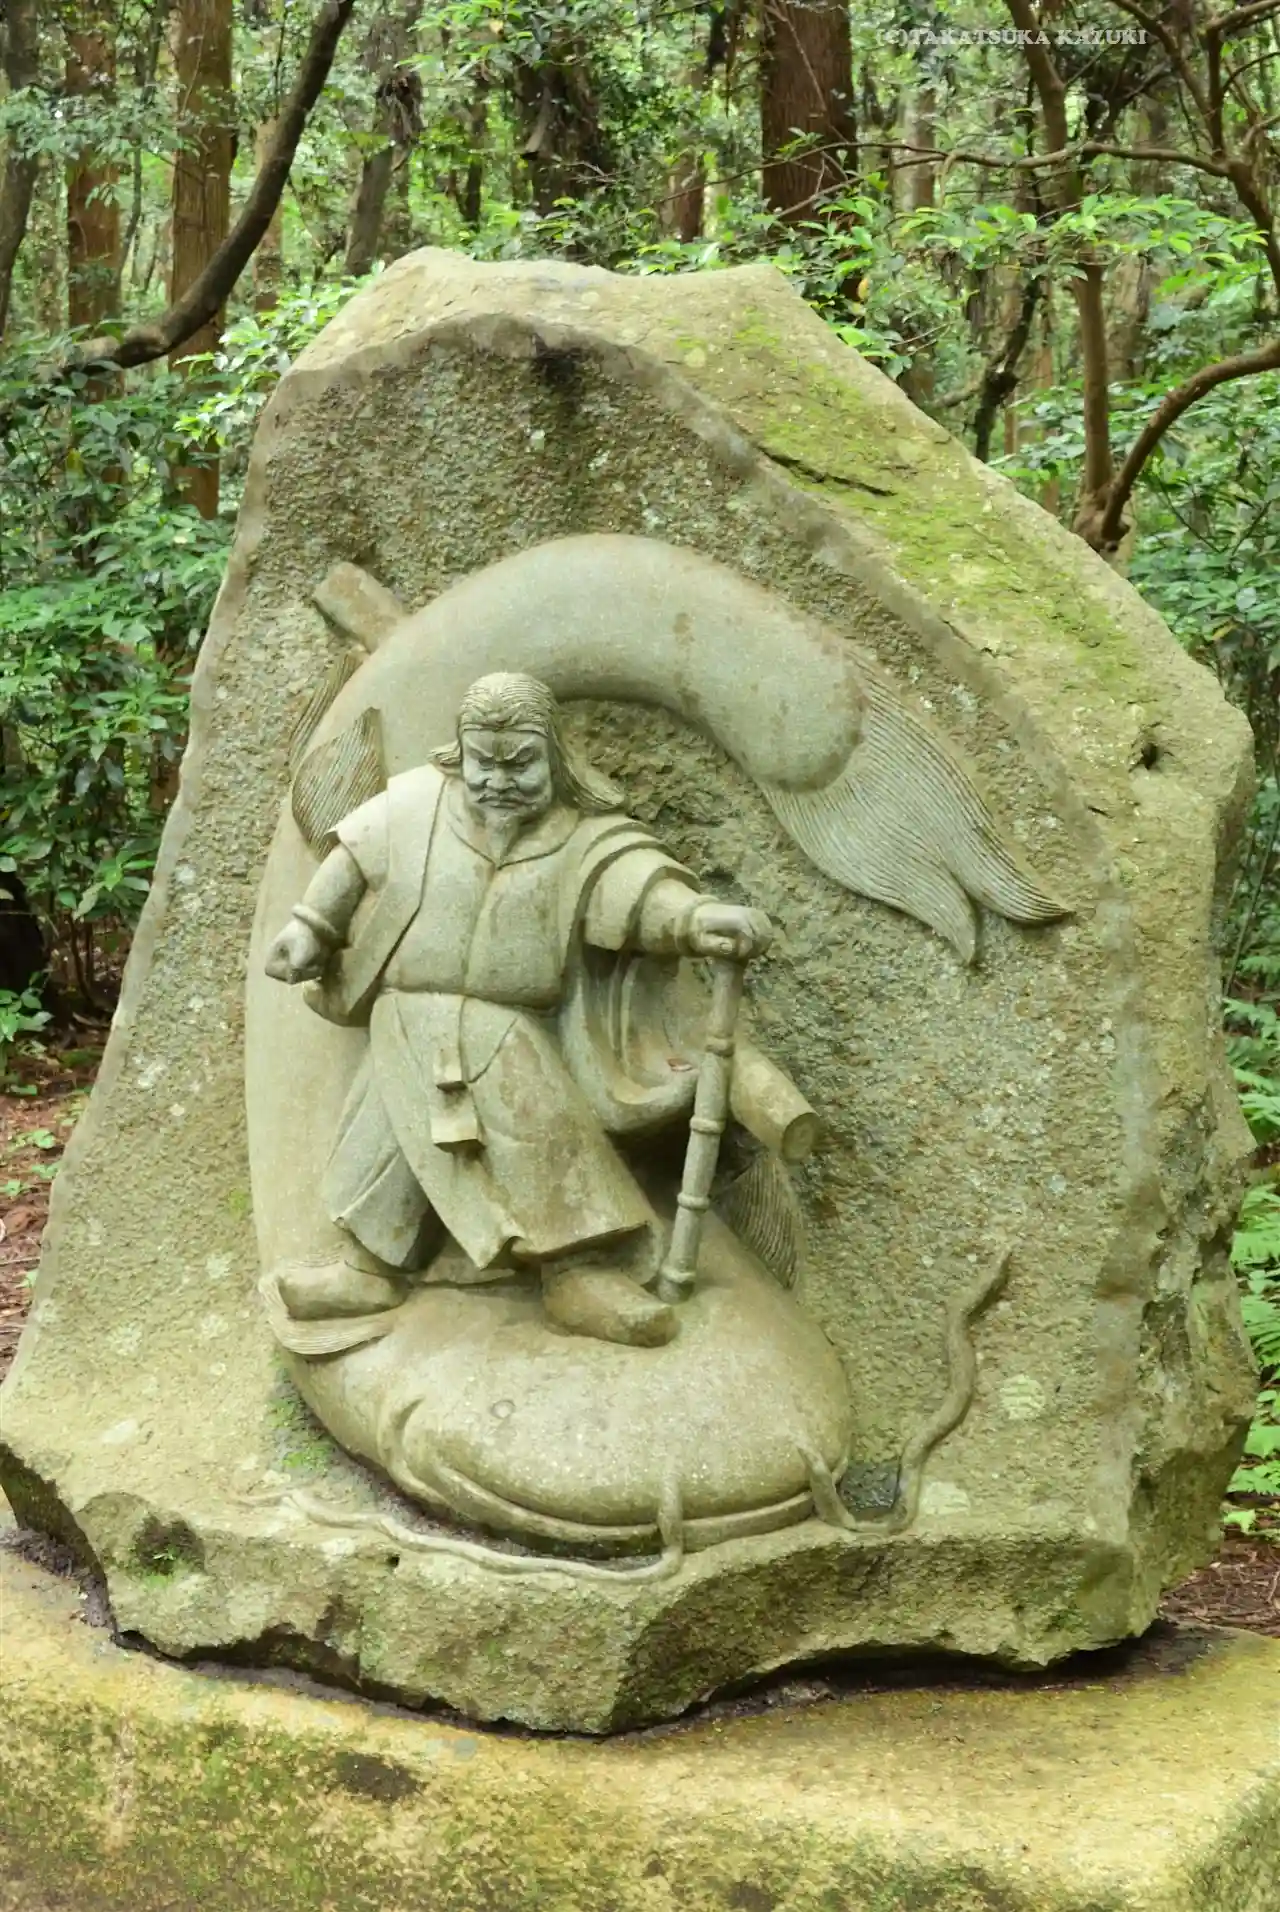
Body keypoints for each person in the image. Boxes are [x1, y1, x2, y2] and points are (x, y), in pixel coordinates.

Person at [266, 671, 770, 1347]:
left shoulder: (584, 839)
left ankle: (576, 1274)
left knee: (543, 1145)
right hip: (403, 1022)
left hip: (510, 1034)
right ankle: (368, 1267)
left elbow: (637, 894)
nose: (499, 780)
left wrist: (696, 920)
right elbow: (351, 861)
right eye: (485, 762)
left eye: (521, 763)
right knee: (384, 1150)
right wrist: (309, 930)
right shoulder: (414, 808)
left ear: (555, 758)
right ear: (460, 753)